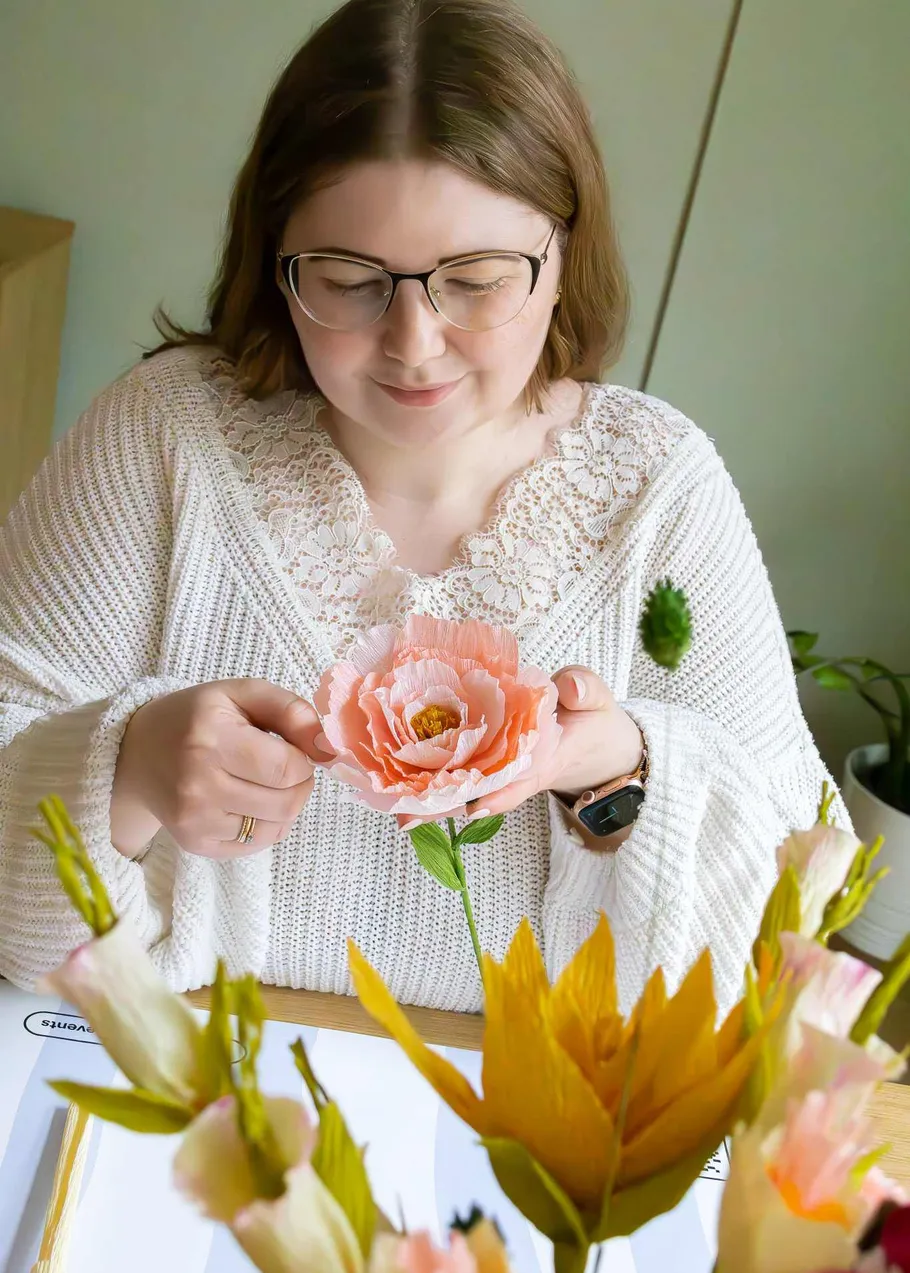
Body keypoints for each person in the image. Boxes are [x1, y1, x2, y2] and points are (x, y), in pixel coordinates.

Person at [0, 0, 841, 1016]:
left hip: (535, 1124)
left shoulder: (658, 489)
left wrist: (619, 774)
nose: (413, 342)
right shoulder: (165, 437)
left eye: (476, 281)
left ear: (564, 253)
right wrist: (124, 766)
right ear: (276, 262)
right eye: (348, 281)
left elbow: (803, 903)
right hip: (180, 1086)